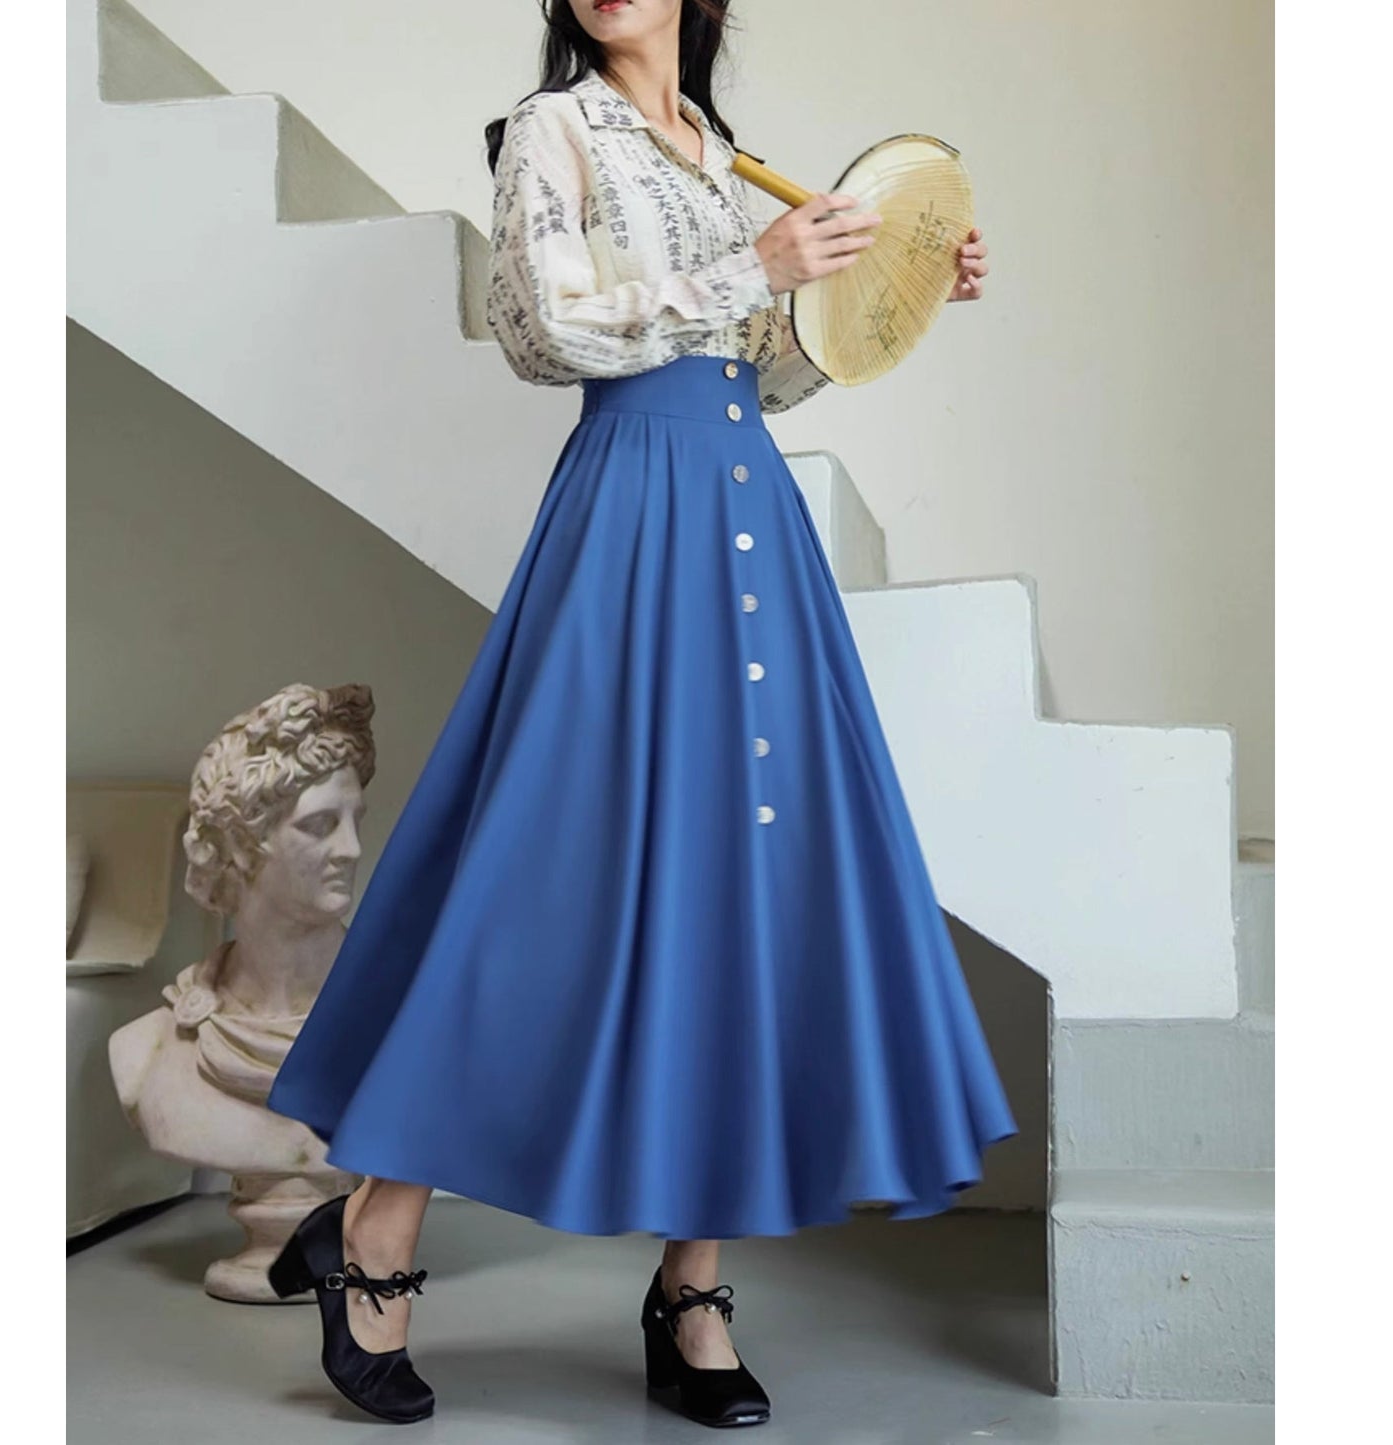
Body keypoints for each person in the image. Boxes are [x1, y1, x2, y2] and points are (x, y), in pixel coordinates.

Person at [264, 0, 1014, 1430]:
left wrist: (894, 291)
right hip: (630, 513)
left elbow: (761, 369)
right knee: (540, 866)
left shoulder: (717, 149)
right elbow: (545, 332)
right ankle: (374, 1222)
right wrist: (757, 259)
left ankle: (693, 1291)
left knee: (740, 887)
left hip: (746, 518)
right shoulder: (555, 130)